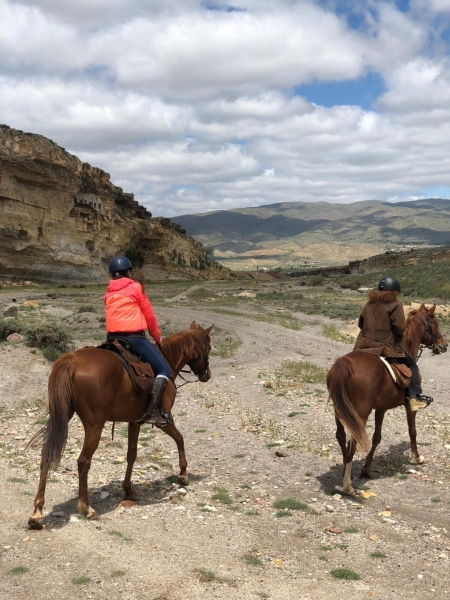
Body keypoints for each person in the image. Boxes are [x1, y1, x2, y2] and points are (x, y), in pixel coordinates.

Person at [104, 256, 172, 425]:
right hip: (134, 338)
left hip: (112, 339)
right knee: (164, 370)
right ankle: (153, 412)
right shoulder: (136, 288)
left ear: (112, 275)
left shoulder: (108, 292)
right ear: (129, 272)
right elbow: (149, 316)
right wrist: (157, 337)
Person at [353, 276, 433, 412]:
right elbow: (400, 328)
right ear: (394, 292)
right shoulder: (396, 305)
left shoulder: (369, 304)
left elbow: (361, 324)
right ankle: (414, 399)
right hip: (385, 347)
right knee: (412, 365)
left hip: (363, 345)